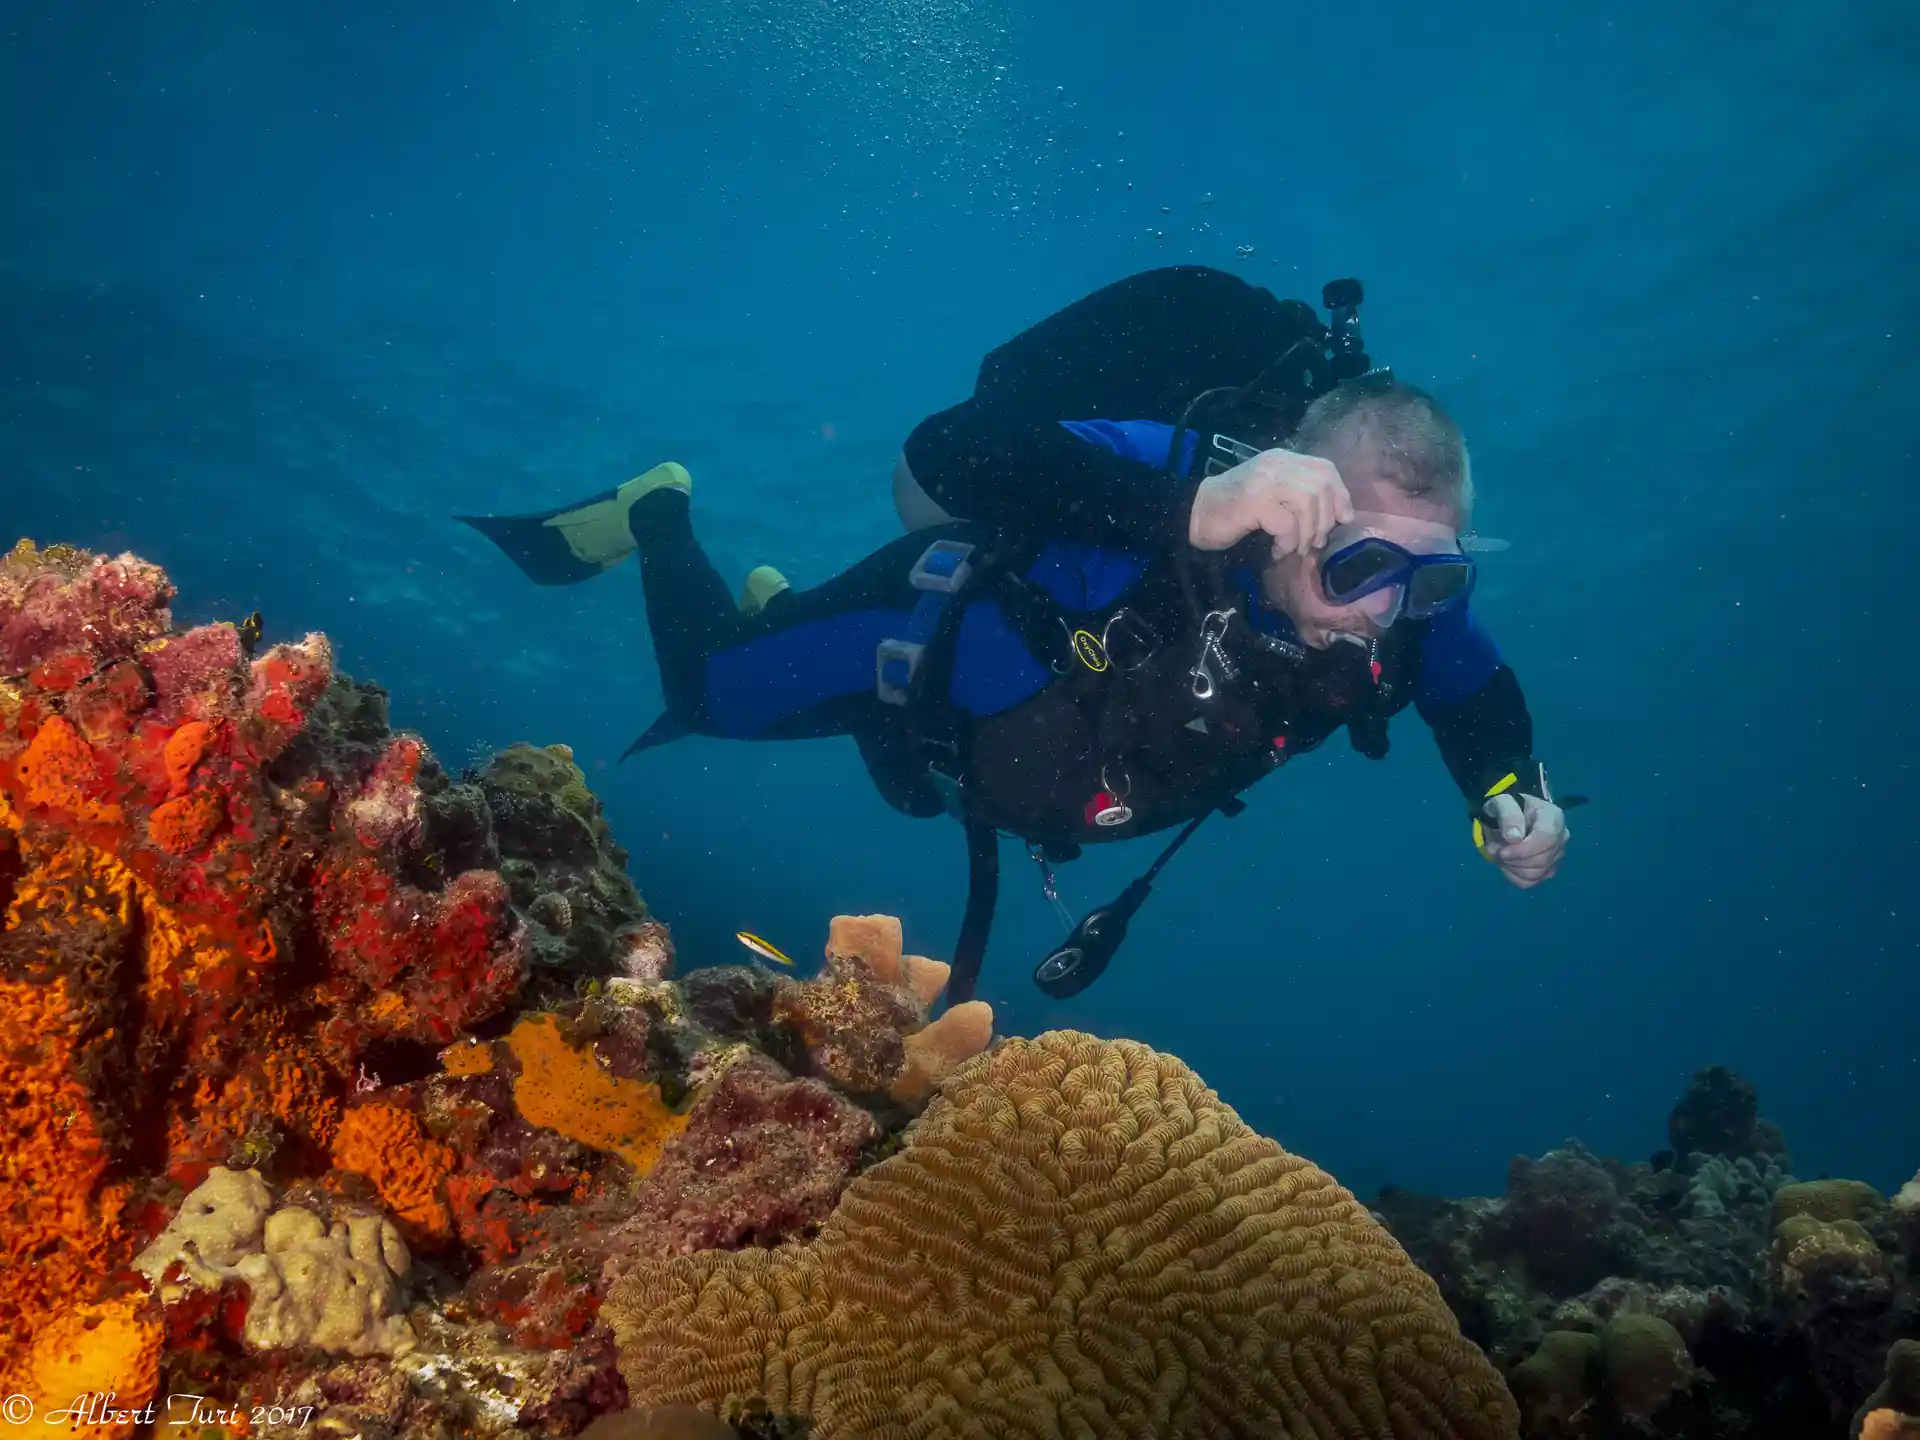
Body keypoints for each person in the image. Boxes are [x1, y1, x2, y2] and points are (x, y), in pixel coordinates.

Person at [460, 266, 1573, 1002]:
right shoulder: (1198, 477)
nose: (1390, 612)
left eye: (1434, 577)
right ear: (1298, 502)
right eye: (1360, 564)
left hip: (980, 770)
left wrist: (1506, 793)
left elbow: (1475, 691)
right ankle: (659, 511)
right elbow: (950, 450)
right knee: (703, 691)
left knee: (889, 772)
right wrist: (1188, 510)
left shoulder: (1412, 601)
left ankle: (776, 596)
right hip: (914, 658)